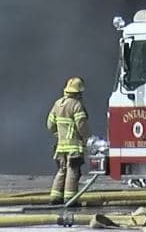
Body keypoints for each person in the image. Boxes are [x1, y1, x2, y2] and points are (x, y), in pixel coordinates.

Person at [46, 77, 90, 206]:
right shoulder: (76, 105)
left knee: (62, 170)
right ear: (78, 92)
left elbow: (50, 125)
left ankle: (55, 197)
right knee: (73, 171)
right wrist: (87, 137)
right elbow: (81, 125)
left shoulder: (57, 104)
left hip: (60, 147)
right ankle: (70, 199)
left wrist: (59, 134)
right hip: (74, 147)